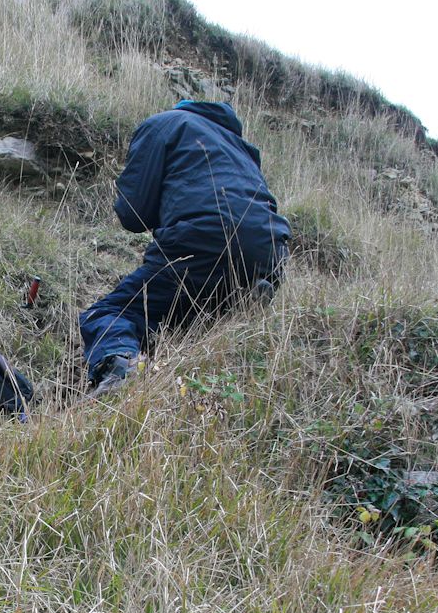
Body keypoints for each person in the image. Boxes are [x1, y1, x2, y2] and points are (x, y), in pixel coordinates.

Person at [79, 100, 291, 394]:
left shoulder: (165, 123)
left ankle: (120, 368)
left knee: (110, 313)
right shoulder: (241, 146)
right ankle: (236, 305)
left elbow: (132, 213)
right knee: (183, 316)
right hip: (272, 252)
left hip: (202, 239)